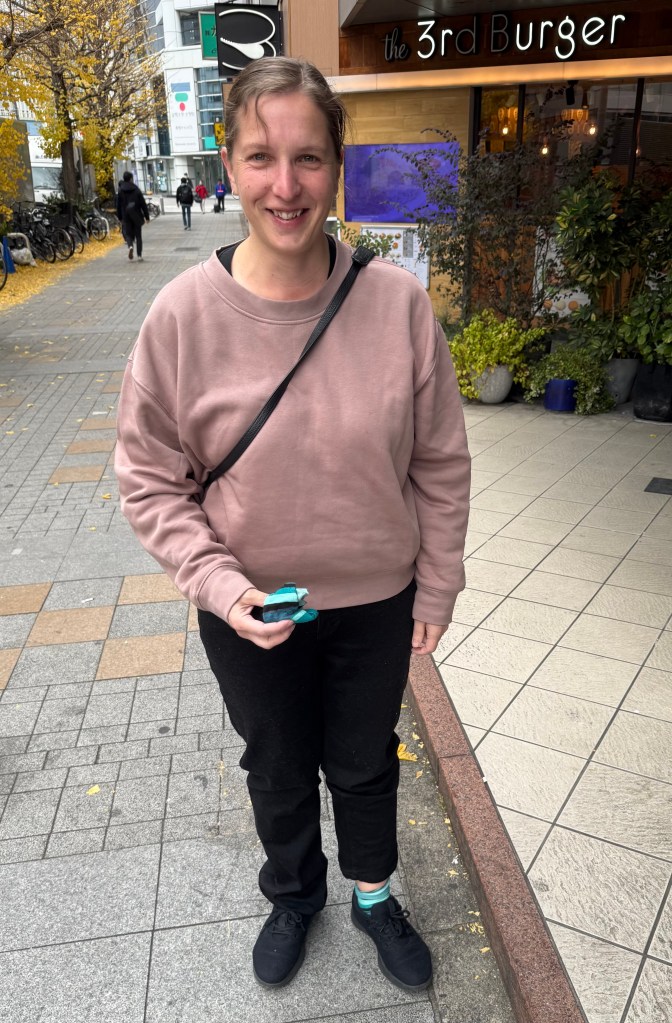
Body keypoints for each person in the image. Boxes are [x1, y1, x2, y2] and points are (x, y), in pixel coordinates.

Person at [115, 57, 470, 994]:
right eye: (261, 157)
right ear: (229, 165)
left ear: (336, 167)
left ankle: (373, 894)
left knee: (365, 762)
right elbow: (149, 481)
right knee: (275, 764)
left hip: (376, 598)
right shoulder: (181, 317)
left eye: (309, 157)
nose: (286, 184)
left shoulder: (396, 305)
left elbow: (440, 461)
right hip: (249, 607)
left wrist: (438, 584)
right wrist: (220, 587)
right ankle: (294, 894)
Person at [116, 171, 150, 261]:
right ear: (131, 178)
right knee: (138, 235)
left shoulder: (120, 190)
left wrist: (120, 217)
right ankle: (139, 255)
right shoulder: (136, 189)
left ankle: (130, 246)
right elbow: (143, 204)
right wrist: (147, 216)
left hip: (126, 215)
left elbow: (118, 205)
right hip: (136, 215)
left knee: (128, 233)